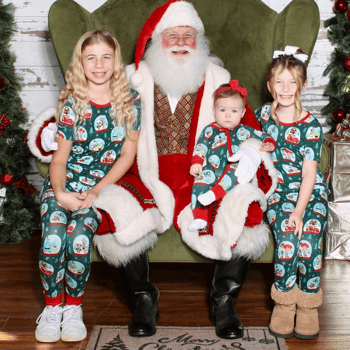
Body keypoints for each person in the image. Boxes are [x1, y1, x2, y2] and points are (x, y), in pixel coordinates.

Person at [33, 0, 277, 340]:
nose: (180, 42)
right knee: (114, 208)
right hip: (146, 175)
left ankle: (224, 302)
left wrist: (255, 154)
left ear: (199, 40)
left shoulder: (219, 80)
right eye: (171, 35)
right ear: (156, 41)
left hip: (203, 178)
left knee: (244, 209)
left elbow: (247, 125)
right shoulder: (134, 80)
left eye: (188, 35)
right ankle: (143, 298)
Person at [35, 29, 140, 343]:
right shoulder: (73, 103)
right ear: (81, 62)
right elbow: (59, 159)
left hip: (98, 188)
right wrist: (61, 193)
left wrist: (96, 191)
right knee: (54, 237)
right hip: (63, 184)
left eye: (106, 57)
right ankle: (53, 307)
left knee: (78, 239)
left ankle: (73, 309)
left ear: (115, 60)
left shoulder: (130, 102)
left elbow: (126, 154)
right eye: (91, 57)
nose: (99, 64)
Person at [253, 45, 329, 340]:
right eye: (279, 82)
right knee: (288, 238)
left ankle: (308, 304)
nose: (286, 88)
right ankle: (284, 301)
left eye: (292, 81)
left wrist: (300, 211)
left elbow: (310, 173)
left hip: (310, 193)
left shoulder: (311, 125)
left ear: (304, 85)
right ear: (270, 86)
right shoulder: (261, 117)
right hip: (278, 191)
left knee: (308, 241)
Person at [188, 80, 276, 231]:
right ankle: (200, 217)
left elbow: (263, 135)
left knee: (236, 170)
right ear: (214, 110)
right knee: (199, 182)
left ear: (242, 113)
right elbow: (201, 146)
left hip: (235, 169)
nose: (228, 115)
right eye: (222, 110)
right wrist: (197, 162)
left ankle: (214, 194)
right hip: (213, 168)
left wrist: (269, 143)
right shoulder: (210, 129)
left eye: (234, 111)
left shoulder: (246, 130)